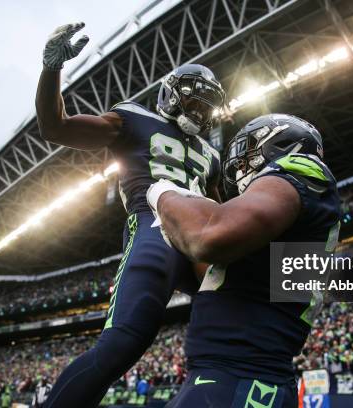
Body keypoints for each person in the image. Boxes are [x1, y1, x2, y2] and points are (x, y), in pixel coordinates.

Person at [35, 23, 226, 408]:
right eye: (192, 102)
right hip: (153, 227)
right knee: (121, 345)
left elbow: (224, 216)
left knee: (250, 316)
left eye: (205, 106)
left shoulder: (212, 155)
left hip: (200, 241)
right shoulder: (134, 120)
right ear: (171, 97)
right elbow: (54, 127)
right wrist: (51, 70)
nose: (199, 112)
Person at [147, 114, 341, 407]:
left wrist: (164, 195)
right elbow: (213, 276)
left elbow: (208, 238)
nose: (239, 167)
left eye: (245, 153)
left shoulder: (302, 168)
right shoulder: (278, 227)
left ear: (279, 141)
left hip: (242, 377)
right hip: (227, 376)